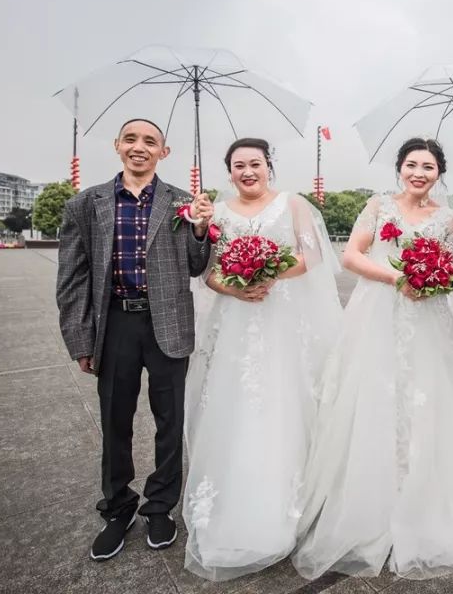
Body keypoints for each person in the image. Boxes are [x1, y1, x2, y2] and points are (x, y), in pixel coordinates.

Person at [293, 137, 453, 581]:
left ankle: (428, 495)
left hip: (427, 317)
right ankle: (371, 500)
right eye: (412, 164)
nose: (419, 172)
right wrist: (397, 276)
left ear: (439, 173)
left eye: (428, 166)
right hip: (379, 312)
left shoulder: (448, 217)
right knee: (375, 395)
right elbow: (350, 256)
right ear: (400, 168)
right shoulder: (379, 205)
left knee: (429, 398)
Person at [182, 138, 342, 581]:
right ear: (228, 171)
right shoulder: (218, 210)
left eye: (255, 163)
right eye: (238, 165)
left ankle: (301, 501)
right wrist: (237, 286)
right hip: (237, 320)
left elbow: (313, 255)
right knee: (238, 408)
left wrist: (265, 272)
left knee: (290, 401)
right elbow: (208, 272)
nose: (247, 171)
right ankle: (241, 503)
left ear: (269, 166)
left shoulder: (294, 205)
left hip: (285, 321)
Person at [56, 118, 214, 562]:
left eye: (150, 141)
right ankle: (118, 507)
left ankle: (161, 505)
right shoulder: (86, 205)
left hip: (168, 325)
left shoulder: (183, 202)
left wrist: (201, 229)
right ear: (117, 147)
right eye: (131, 139)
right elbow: (72, 279)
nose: (139, 147)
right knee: (115, 421)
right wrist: (81, 339)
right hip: (116, 326)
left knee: (170, 423)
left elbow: (197, 266)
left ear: (164, 151)